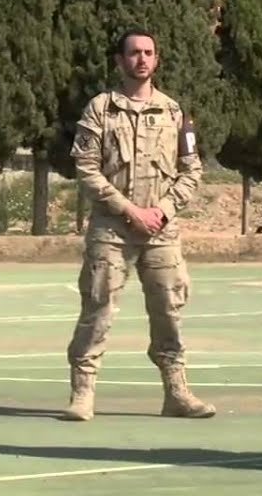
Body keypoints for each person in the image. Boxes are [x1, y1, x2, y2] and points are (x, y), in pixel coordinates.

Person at [60, 29, 214, 422]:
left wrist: (161, 210)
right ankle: (83, 391)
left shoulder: (173, 111)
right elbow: (87, 169)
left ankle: (176, 391)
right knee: (98, 308)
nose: (141, 59)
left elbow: (191, 170)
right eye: (133, 53)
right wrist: (130, 210)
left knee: (169, 309)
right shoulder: (100, 109)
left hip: (161, 230)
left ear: (156, 60)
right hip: (112, 229)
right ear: (119, 61)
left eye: (148, 52)